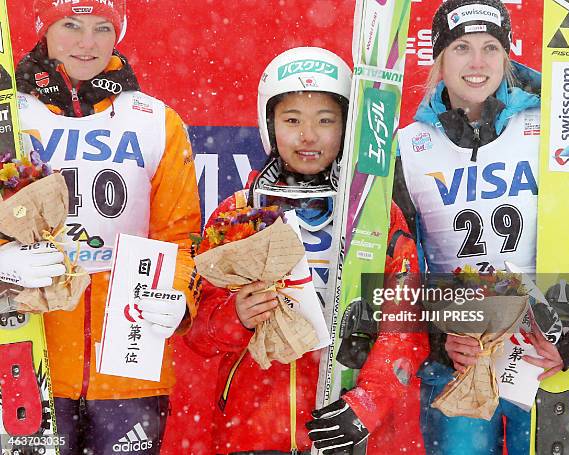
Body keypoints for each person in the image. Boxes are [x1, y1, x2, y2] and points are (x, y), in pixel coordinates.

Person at [185, 46, 428, 454]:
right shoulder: (239, 214)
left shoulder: (377, 216)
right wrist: (235, 317)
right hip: (253, 427)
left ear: (348, 127)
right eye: (292, 120)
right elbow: (198, 331)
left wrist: (367, 404)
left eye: (326, 121)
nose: (308, 136)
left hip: (345, 426)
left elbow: (405, 324)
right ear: (269, 125)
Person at [393, 0, 569, 453]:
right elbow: (394, 269)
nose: (477, 63)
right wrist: (440, 334)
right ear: (438, 57)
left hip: (545, 357)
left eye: (491, 47)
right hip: (458, 365)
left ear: (507, 55)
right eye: (461, 48)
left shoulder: (556, 131)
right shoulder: (409, 150)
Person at [0, 1, 201, 453]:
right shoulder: (10, 117)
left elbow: (180, 234)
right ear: (44, 30)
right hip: (28, 352)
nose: (87, 43)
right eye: (71, 25)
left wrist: (178, 295)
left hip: (129, 363)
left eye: (102, 27)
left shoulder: (155, 121)